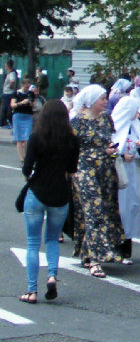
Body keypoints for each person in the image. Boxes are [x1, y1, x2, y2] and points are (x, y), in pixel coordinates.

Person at [19, 100, 79, 304]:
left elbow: (27, 169)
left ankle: (31, 291)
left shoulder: (36, 137)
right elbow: (72, 169)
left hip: (37, 192)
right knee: (52, 239)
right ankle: (52, 275)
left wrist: (30, 176)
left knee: (33, 242)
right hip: (60, 194)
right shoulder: (72, 140)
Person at [70, 85, 126, 278]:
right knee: (93, 211)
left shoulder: (106, 119)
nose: (105, 101)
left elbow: (108, 141)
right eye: (102, 98)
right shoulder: (77, 121)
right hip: (84, 169)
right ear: (92, 101)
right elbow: (71, 147)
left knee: (105, 209)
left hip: (105, 169)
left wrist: (112, 150)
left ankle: (87, 253)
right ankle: (95, 259)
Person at [112, 96, 140, 264]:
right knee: (117, 209)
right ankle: (113, 248)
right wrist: (121, 156)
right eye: (136, 110)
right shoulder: (114, 127)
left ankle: (126, 250)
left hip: (131, 174)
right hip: (116, 172)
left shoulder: (135, 127)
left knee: (129, 209)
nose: (138, 114)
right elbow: (108, 149)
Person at [10, 77, 36, 163]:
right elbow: (12, 105)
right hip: (18, 115)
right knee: (19, 138)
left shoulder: (31, 93)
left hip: (28, 116)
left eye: (28, 87)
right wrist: (21, 102)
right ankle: (22, 158)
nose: (27, 89)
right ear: (22, 85)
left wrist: (30, 103)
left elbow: (34, 106)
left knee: (27, 138)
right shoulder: (16, 93)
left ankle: (27, 155)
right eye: (26, 87)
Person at [2, 59, 18, 128]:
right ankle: (3, 123)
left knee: (8, 109)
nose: (4, 67)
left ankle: (10, 122)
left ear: (8, 66)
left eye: (5, 66)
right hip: (6, 93)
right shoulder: (9, 73)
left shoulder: (12, 73)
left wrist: (11, 86)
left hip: (8, 93)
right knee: (5, 109)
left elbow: (12, 81)